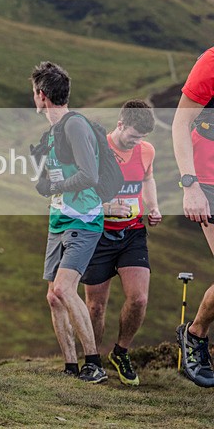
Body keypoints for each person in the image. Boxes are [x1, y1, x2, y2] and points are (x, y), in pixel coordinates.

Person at [31, 61, 107, 383]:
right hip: (59, 219)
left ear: (42, 95)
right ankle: (71, 366)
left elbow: (89, 175)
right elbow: (53, 178)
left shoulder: (75, 125)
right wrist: (42, 179)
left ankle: (95, 363)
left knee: (64, 289)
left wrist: (56, 186)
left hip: (83, 220)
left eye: (34, 92)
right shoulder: (52, 133)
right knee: (53, 296)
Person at [82, 100, 161, 386]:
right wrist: (105, 208)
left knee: (139, 298)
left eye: (142, 137)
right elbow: (77, 194)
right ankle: (92, 360)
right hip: (98, 235)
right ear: (120, 124)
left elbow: (148, 179)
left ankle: (121, 352)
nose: (137, 142)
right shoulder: (95, 150)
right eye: (133, 136)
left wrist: (153, 207)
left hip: (132, 233)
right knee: (96, 306)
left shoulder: (146, 150)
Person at [174, 47, 214, 388]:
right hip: (209, 179)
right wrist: (190, 185)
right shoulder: (211, 62)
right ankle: (196, 333)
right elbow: (180, 123)